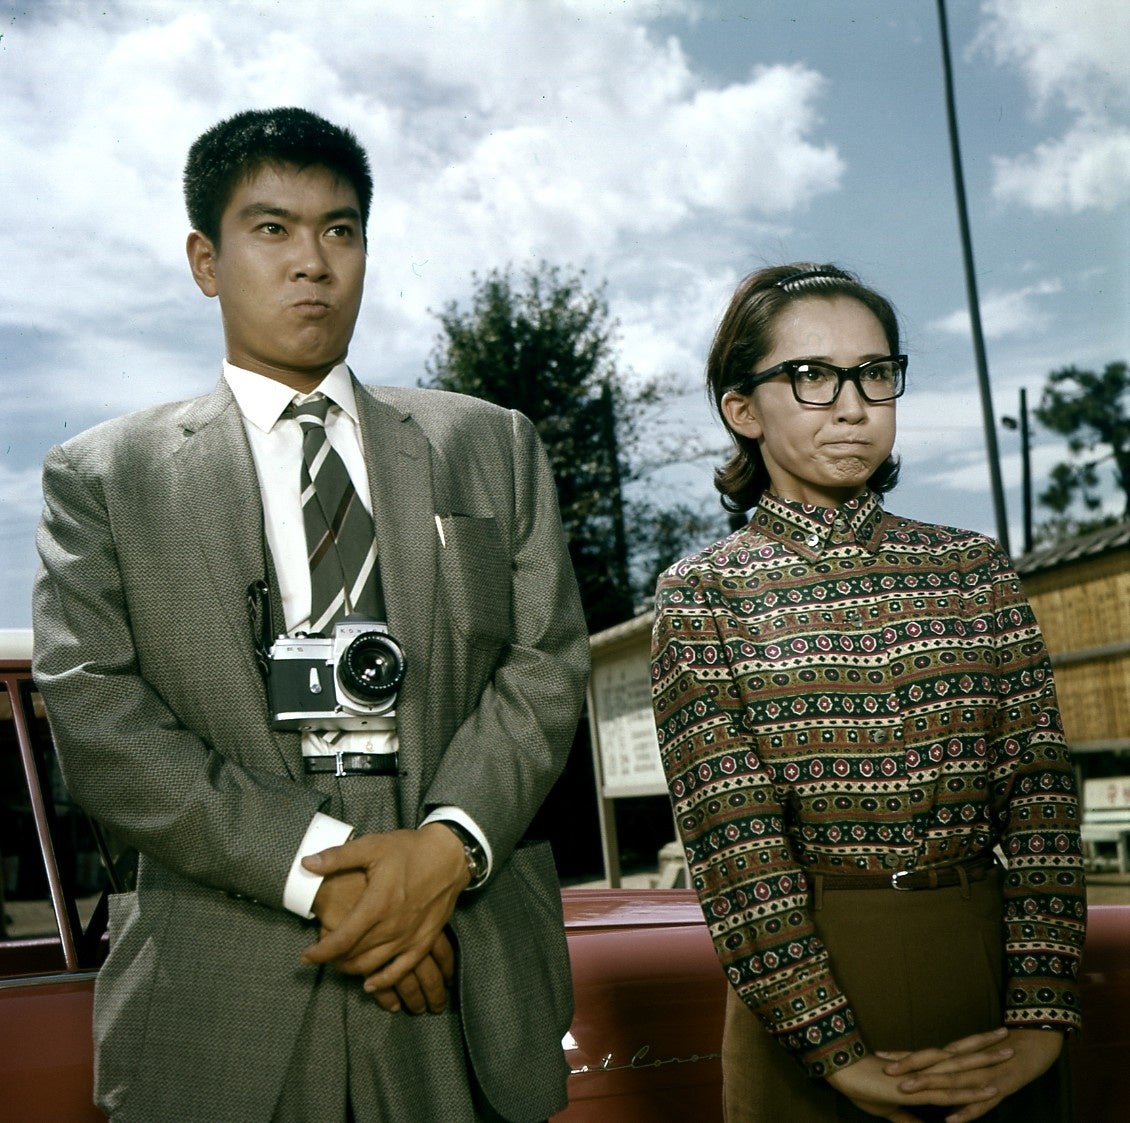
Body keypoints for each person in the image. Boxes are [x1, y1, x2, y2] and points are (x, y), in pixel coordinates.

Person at [32, 107, 590, 1123]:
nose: (312, 263)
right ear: (206, 261)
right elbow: (98, 716)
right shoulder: (106, 477)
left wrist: (445, 849)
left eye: (340, 230)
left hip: (461, 969)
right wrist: (324, 879)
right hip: (227, 991)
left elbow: (544, 665)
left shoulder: (489, 445)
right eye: (272, 229)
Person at [650, 263, 1085, 1123]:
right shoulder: (704, 593)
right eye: (810, 375)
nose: (852, 406)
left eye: (875, 373)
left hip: (989, 985)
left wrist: (1042, 1018)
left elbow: (1041, 798)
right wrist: (833, 1050)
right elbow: (734, 843)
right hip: (806, 997)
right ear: (742, 409)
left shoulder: (971, 567)